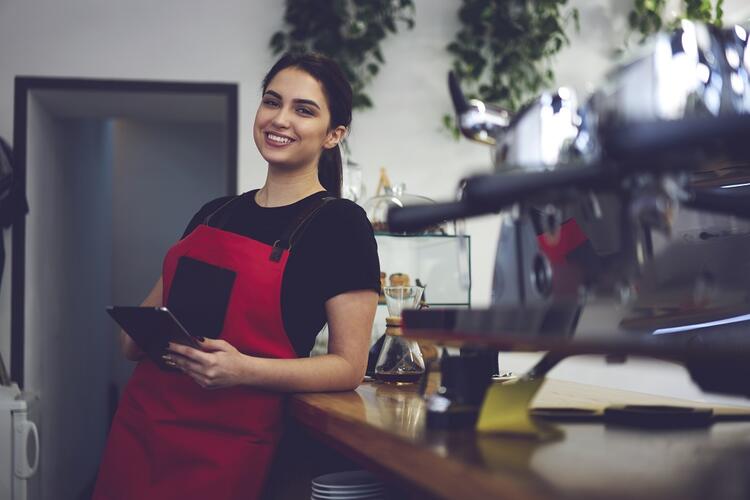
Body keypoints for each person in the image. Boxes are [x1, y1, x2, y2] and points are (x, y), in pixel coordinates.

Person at [93, 53, 381, 500]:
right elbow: (137, 338)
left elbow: (349, 366)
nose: (280, 119)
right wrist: (143, 332)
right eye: (272, 102)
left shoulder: (340, 225)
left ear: (333, 135)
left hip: (225, 448)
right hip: (142, 431)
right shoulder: (214, 213)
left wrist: (242, 370)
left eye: (303, 110)